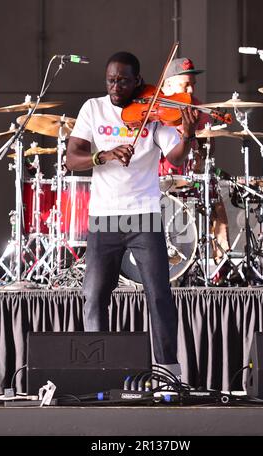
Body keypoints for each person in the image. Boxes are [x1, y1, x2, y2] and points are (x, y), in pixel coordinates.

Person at [66, 51, 199, 377]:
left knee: (159, 295)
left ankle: (169, 371)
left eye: (123, 80)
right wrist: (104, 155)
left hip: (143, 214)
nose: (115, 86)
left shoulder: (153, 113)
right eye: (111, 80)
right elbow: (72, 158)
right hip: (104, 216)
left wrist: (188, 132)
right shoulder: (93, 109)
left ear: (137, 81)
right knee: (95, 295)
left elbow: (178, 158)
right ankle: (98, 366)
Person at [161, 57, 230, 275]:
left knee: (216, 200)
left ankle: (218, 266)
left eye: (193, 84)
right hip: (159, 180)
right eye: (185, 85)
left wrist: (202, 146)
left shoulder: (198, 108)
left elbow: (208, 147)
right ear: (169, 85)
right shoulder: (157, 108)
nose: (191, 90)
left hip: (191, 178)